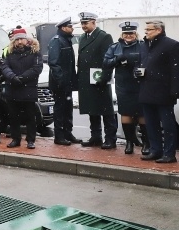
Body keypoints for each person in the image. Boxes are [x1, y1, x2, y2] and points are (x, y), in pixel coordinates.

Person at [102, 21, 148, 155]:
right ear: (122, 34)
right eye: (126, 33)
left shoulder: (143, 45)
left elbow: (149, 60)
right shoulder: (115, 47)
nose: (129, 35)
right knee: (126, 113)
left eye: (131, 33)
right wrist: (117, 60)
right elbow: (105, 63)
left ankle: (146, 143)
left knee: (142, 113)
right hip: (123, 85)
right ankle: (129, 142)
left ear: (135, 33)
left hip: (140, 84)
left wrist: (142, 68)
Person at [138, 20, 179, 163]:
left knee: (168, 125)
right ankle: (155, 150)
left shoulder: (172, 45)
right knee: (151, 124)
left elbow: (176, 70)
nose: (146, 32)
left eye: (149, 29)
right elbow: (139, 63)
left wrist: (175, 91)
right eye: (146, 29)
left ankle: (169, 154)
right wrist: (136, 72)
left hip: (164, 92)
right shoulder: (144, 45)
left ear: (159, 30)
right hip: (146, 90)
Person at [76, 12, 118, 149]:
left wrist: (105, 77)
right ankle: (96, 137)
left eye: (86, 23)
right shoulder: (83, 37)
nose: (83, 26)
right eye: (82, 23)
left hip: (99, 79)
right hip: (86, 79)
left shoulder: (104, 37)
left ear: (94, 22)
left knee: (106, 111)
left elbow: (108, 59)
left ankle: (110, 139)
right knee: (92, 110)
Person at [0, 33, 43, 149]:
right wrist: (13, 77)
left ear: (27, 40)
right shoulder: (9, 53)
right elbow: (5, 67)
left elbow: (37, 68)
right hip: (12, 88)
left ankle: (30, 140)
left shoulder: (34, 52)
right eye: (17, 40)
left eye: (22, 39)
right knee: (13, 117)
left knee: (30, 117)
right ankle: (15, 139)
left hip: (28, 89)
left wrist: (22, 78)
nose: (19, 42)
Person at [48, 17, 81, 146]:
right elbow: (54, 63)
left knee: (68, 109)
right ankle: (59, 136)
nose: (72, 29)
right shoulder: (57, 41)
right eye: (70, 27)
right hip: (60, 83)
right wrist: (60, 80)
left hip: (67, 83)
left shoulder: (66, 40)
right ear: (63, 28)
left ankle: (68, 133)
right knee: (60, 110)